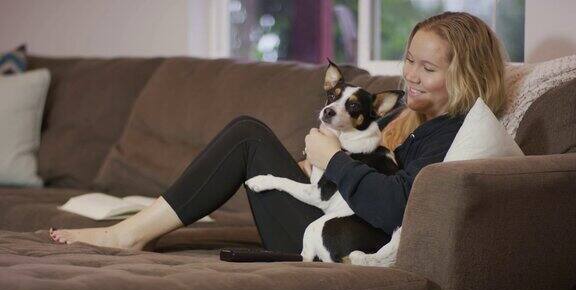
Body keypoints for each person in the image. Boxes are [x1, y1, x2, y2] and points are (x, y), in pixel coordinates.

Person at [50, 11, 506, 254]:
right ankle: (137, 229)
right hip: (329, 216)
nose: (410, 75)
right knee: (250, 138)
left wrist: (333, 160)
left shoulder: (450, 135)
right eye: (409, 59)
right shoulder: (409, 121)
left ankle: (124, 236)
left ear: (467, 75)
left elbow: (394, 207)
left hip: (330, 238)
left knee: (248, 135)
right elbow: (367, 176)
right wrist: (317, 165)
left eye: (427, 68)